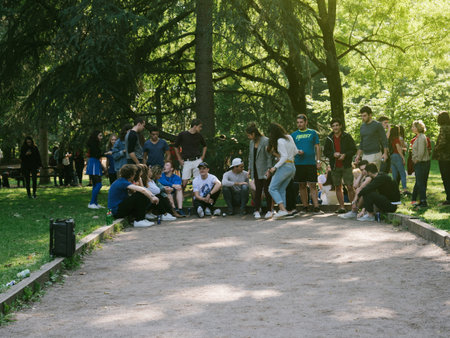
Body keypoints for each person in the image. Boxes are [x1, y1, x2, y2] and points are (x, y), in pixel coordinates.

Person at [323, 118, 357, 213]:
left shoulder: (347, 136)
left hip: (346, 165)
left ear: (340, 126)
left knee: (349, 186)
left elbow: (353, 149)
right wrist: (333, 155)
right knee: (338, 187)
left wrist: (345, 155)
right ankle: (342, 207)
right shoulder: (329, 138)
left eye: (337, 125)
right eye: (333, 126)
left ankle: (353, 207)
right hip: (335, 166)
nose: (335, 127)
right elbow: (326, 152)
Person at [291, 114, 322, 214]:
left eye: (301, 122)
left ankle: (316, 207)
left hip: (310, 163)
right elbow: (291, 149)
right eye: (298, 122)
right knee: (302, 185)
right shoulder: (294, 135)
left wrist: (318, 161)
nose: (299, 124)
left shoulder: (312, 133)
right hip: (299, 163)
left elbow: (317, 147)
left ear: (306, 122)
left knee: (313, 184)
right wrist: (297, 152)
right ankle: (305, 207)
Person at [267, 123, 297, 219]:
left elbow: (284, 157)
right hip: (292, 166)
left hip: (285, 166)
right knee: (281, 189)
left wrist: (275, 167)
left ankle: (283, 210)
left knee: (272, 188)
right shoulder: (289, 137)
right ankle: (283, 211)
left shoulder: (279, 141)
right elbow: (296, 151)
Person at [246, 122, 274, 219]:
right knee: (257, 190)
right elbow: (250, 157)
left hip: (265, 169)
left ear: (253, 134)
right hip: (255, 170)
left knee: (267, 190)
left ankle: (270, 210)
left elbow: (269, 156)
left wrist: (269, 169)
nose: (248, 137)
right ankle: (257, 210)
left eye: (249, 135)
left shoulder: (266, 141)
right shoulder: (251, 143)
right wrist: (249, 169)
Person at [174, 119, 207, 189]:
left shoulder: (199, 135)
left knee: (198, 182)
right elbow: (175, 147)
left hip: (197, 160)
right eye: (200, 127)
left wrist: (202, 156)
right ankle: (180, 198)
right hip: (186, 161)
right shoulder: (182, 135)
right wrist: (179, 159)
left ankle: (196, 198)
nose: (200, 129)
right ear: (195, 126)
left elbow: (205, 146)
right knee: (184, 182)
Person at [354, 106, 389, 170]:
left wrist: (385, 153)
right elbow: (362, 142)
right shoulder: (362, 126)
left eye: (364, 116)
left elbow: (384, 140)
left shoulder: (377, 125)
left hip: (375, 154)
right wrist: (358, 155)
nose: (362, 118)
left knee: (373, 175)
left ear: (370, 115)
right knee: (365, 175)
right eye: (361, 116)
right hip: (365, 155)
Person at [411, 120, 430, 209]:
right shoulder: (418, 137)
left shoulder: (422, 137)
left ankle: (423, 201)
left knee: (421, 182)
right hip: (420, 163)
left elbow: (421, 151)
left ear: (418, 127)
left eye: (413, 126)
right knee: (419, 182)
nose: (412, 128)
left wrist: (417, 160)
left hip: (422, 163)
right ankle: (418, 200)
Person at [432, 111, 450, 206]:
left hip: (444, 157)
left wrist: (436, 149)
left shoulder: (444, 128)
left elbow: (442, 142)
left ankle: (449, 198)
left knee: (446, 177)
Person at [86, 130, 105, 209]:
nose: (101, 137)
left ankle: (95, 203)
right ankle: (91, 203)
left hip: (96, 163)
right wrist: (106, 154)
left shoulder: (95, 145)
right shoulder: (93, 145)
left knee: (95, 184)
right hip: (94, 163)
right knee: (98, 184)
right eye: (100, 136)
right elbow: (97, 155)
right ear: (96, 136)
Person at [389, 125, 409, 195]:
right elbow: (398, 149)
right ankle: (405, 189)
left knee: (394, 175)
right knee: (402, 173)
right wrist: (403, 157)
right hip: (397, 156)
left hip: (391, 157)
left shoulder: (390, 139)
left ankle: (395, 189)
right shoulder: (396, 139)